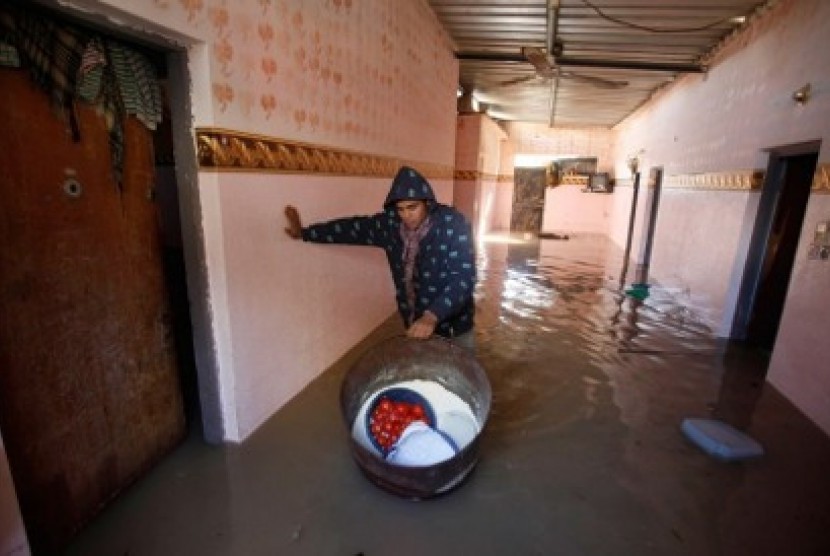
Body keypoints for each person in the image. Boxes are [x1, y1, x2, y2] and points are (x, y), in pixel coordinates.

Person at [284, 165, 476, 349]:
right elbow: (351, 229)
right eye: (400, 209)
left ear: (427, 202)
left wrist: (432, 316)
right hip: (414, 319)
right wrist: (305, 233)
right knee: (424, 372)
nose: (406, 216)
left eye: (412, 207)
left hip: (453, 324)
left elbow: (463, 277)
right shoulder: (391, 226)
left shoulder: (453, 225)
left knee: (462, 377)